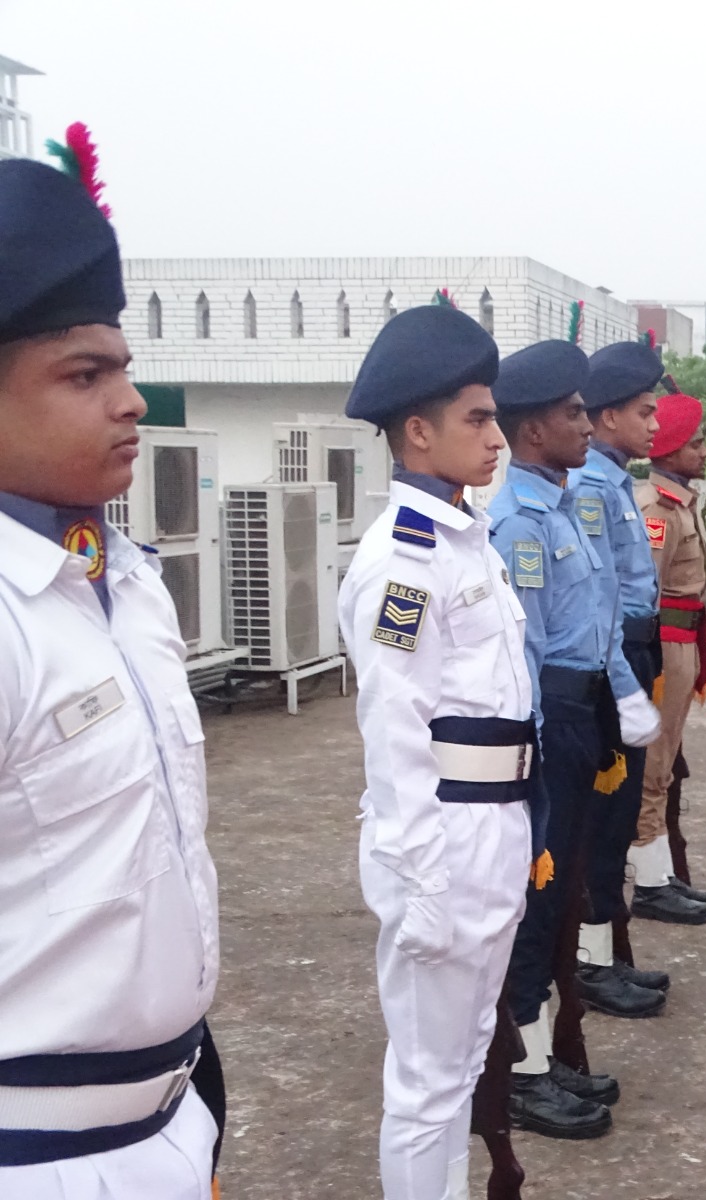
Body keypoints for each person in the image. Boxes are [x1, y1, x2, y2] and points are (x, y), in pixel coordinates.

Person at [0, 136, 225, 1200]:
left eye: (125, 368)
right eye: (85, 375)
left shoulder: (122, 581)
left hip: (169, 1117)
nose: (131, 400)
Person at [339, 303, 535, 1200]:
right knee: (426, 1083)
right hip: (443, 838)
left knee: (465, 1059)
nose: (497, 437)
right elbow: (395, 726)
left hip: (492, 825)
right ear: (418, 432)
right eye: (478, 419)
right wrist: (419, 879)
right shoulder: (406, 562)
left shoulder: (464, 540)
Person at [486, 340, 664, 1143]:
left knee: (559, 894)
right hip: (549, 721)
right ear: (533, 431)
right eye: (572, 414)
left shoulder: (560, 507)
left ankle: (539, 1050)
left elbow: (599, 624)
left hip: (582, 707)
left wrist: (624, 696)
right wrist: (531, 757)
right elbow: (521, 652)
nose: (586, 426)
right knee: (538, 894)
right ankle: (520, 1072)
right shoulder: (518, 526)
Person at [572, 341, 672, 998]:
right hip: (611, 659)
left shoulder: (613, 480)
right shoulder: (590, 486)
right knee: (604, 818)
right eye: (644, 411)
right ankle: (590, 962)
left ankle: (607, 950)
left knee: (621, 810)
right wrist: (621, 681)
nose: (656, 425)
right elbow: (597, 595)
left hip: (635, 650)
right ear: (607, 417)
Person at [629, 387, 706, 920]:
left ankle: (661, 873)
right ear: (670, 449)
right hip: (665, 646)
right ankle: (648, 883)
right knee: (653, 765)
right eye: (696, 443)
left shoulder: (680, 501)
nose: (705, 452)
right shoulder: (656, 510)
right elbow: (647, 594)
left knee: (664, 767)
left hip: (684, 643)